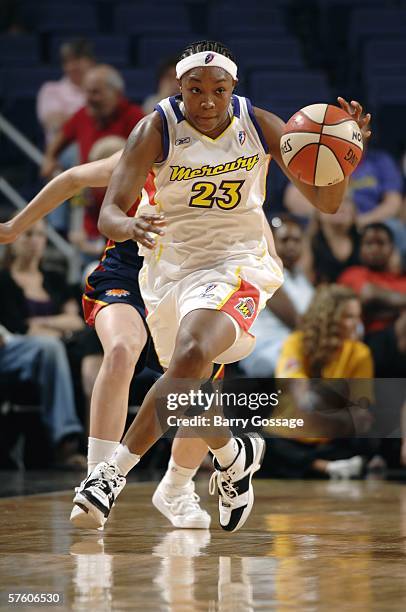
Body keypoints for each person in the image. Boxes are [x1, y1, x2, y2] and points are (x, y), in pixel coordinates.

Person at [1, 40, 370, 533]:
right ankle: (234, 453)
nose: (208, 101)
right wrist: (127, 226)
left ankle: (110, 474)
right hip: (168, 270)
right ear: (181, 88)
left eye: (218, 90)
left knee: (192, 354)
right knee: (186, 388)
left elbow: (325, 202)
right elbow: (107, 209)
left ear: (233, 87)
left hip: (239, 265)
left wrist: (341, 160)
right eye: (196, 90)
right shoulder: (155, 129)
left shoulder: (257, 124)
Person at [0, 220, 85, 468]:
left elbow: (76, 321)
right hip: (17, 349)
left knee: (80, 354)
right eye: (27, 234)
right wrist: (54, 327)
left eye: (39, 235)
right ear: (13, 240)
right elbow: (20, 328)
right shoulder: (3, 281)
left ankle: (98, 445)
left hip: (53, 350)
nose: (34, 240)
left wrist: (41, 321)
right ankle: (65, 441)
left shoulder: (55, 279)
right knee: (49, 347)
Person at [268, 285, 375, 479]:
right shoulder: (296, 342)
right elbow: (295, 384)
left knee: (371, 438)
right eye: (349, 317)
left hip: (332, 436)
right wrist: (311, 401)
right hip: (291, 434)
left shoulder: (360, 353)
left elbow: (361, 408)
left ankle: (318, 466)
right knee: (259, 443)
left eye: (357, 316)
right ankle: (326, 467)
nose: (357, 323)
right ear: (329, 318)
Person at [41, 64, 144, 259]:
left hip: (126, 202)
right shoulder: (82, 115)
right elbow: (61, 138)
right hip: (90, 201)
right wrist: (49, 158)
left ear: (116, 92)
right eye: (87, 92)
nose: (90, 98)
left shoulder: (136, 117)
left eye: (96, 92)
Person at [240, 217, 314, 377]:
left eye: (296, 240)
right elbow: (297, 321)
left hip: (295, 346)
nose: (291, 245)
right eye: (284, 240)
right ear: (271, 243)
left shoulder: (302, 280)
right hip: (265, 348)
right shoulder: (265, 272)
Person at [338, 223, 406, 377]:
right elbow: (368, 295)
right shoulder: (354, 273)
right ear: (360, 248)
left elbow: (374, 301)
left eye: (381, 243)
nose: (375, 249)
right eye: (369, 243)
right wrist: (398, 310)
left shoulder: (402, 278)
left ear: (392, 247)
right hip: (369, 342)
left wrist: (383, 306)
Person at [307, 196, 361, 284]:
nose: (340, 206)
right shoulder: (309, 244)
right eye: (331, 201)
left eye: (346, 201)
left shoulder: (366, 241)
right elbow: (304, 283)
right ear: (318, 213)